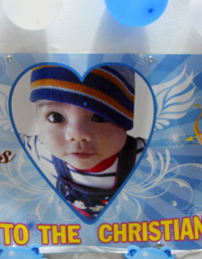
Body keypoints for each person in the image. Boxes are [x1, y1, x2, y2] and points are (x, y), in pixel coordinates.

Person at [22, 64, 146, 221]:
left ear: (125, 122)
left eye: (99, 117)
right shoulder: (36, 150)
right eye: (56, 117)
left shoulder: (147, 157)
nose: (77, 134)